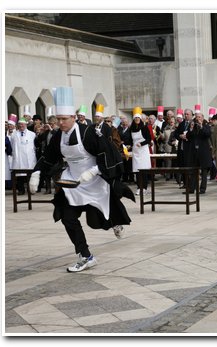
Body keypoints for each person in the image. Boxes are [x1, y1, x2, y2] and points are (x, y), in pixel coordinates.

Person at [29, 86, 134, 272]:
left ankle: (113, 221)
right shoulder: (58, 137)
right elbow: (48, 157)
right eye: (58, 119)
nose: (60, 123)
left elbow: (108, 154)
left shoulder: (88, 132)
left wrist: (92, 172)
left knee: (96, 220)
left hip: (94, 181)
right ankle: (86, 256)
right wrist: (37, 172)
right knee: (67, 217)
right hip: (73, 183)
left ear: (73, 117)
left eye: (64, 119)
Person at [10, 117, 37, 195]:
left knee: (29, 175)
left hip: (29, 157)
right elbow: (12, 145)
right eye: (19, 124)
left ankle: (30, 190)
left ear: (26, 124)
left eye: (22, 124)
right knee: (19, 175)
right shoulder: (14, 134)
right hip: (19, 157)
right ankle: (21, 190)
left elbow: (35, 145)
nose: (21, 126)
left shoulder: (32, 134)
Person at [130, 107, 152, 195]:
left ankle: (145, 188)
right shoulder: (131, 128)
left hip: (143, 151)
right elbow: (130, 140)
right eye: (135, 118)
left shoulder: (144, 128)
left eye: (138, 118)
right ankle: (139, 187)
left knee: (144, 170)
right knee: (137, 170)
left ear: (140, 119)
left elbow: (149, 139)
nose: (137, 119)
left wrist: (141, 144)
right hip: (136, 151)